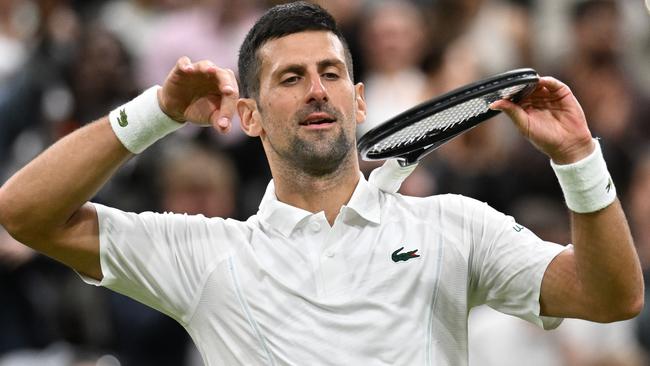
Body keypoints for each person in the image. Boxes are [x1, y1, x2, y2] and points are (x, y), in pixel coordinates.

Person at [0, 2, 643, 365]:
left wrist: (580, 160)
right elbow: (24, 213)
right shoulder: (204, 255)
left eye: (331, 73)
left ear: (359, 102)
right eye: (289, 77)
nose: (315, 89)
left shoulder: (454, 224)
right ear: (246, 116)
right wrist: (157, 113)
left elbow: (611, 298)